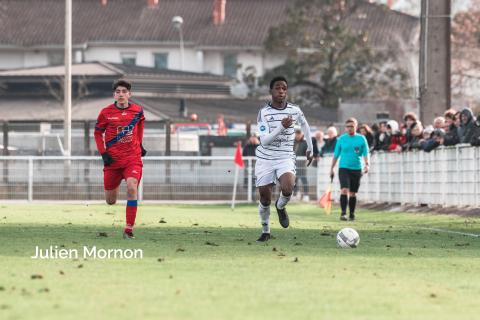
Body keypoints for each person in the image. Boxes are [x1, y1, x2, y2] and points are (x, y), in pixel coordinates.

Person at [254, 76, 313, 242]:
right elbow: (264, 140)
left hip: (285, 156)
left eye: (284, 88)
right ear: (271, 91)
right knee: (265, 198)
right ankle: (265, 231)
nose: (281, 91)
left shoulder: (294, 110)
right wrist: (282, 127)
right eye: (277, 88)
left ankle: (280, 207)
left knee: (288, 188)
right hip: (265, 158)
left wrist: (310, 147)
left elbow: (305, 126)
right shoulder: (264, 113)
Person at [94, 79, 146, 239]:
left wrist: (141, 144)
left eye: (124, 91)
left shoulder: (138, 111)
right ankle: (115, 185)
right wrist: (104, 153)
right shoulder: (105, 112)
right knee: (110, 201)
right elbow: (97, 133)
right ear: (114, 95)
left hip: (132, 158)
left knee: (132, 187)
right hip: (113, 161)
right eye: (118, 91)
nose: (121, 94)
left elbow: (139, 128)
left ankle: (128, 230)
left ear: (129, 94)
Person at [330, 118, 369, 221]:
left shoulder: (361, 139)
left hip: (357, 169)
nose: (349, 128)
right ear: (345, 128)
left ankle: (352, 213)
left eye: (352, 126)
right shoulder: (341, 139)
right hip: (344, 168)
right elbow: (336, 155)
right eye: (347, 126)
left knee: (353, 193)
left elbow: (366, 153)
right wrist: (332, 168)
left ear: (356, 127)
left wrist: (367, 164)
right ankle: (343, 213)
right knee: (344, 190)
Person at [293, 127, 310, 202]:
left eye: (299, 133)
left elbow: (308, 153)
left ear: (302, 134)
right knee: (294, 180)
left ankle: (306, 195)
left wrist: (306, 161)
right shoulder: (292, 142)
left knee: (304, 180)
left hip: (302, 164)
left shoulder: (305, 143)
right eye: (296, 133)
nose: (297, 135)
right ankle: (296, 194)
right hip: (293, 164)